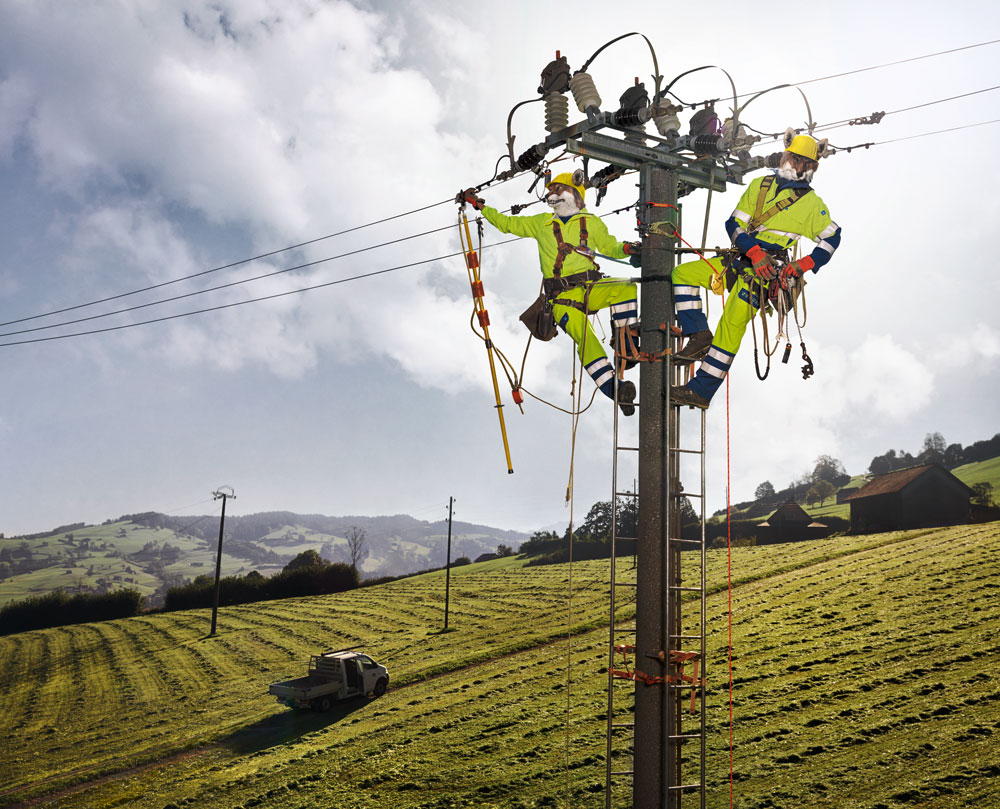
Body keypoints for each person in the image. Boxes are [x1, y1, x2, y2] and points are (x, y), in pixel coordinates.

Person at [669, 134, 842, 409]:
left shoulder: (812, 204)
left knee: (730, 328)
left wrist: (802, 265)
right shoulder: (759, 185)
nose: (798, 166)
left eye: (805, 163)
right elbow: (734, 223)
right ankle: (699, 334)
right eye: (795, 159)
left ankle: (700, 392)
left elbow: (832, 238)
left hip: (765, 276)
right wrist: (754, 252)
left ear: (812, 168)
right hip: (740, 260)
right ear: (786, 157)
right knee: (682, 275)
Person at [461, 172, 642, 415]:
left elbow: (611, 247)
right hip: (562, 299)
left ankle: (626, 345)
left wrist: (629, 249)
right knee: (585, 340)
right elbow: (507, 224)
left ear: (574, 194)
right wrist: (480, 206)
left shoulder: (592, 223)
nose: (551, 195)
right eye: (550, 191)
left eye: (557, 189)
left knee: (626, 287)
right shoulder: (541, 223)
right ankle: (615, 390)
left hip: (590, 287)